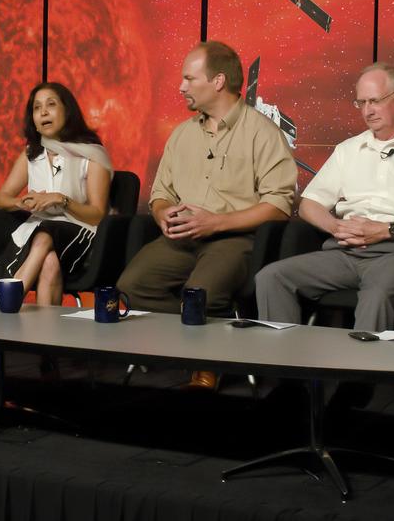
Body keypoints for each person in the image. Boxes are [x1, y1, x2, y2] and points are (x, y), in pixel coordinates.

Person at [117, 41, 296, 389]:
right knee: (130, 289)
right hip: (181, 237)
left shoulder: (263, 133)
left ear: (217, 82)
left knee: (200, 293)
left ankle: (206, 363)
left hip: (234, 239)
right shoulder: (182, 134)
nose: (181, 86)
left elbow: (279, 205)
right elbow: (160, 194)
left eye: (188, 78)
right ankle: (220, 339)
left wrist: (217, 222)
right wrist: (163, 214)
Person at [255, 64, 394, 333]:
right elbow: (309, 204)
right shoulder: (348, 150)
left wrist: (385, 230)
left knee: (376, 297)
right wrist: (336, 227)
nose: (367, 111)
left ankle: (360, 375)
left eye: (375, 101)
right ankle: (284, 372)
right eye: (361, 102)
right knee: (271, 277)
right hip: (344, 251)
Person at [0, 82, 113, 307]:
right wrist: (21, 203)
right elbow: (1, 198)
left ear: (67, 111)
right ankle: (45, 337)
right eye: (37, 108)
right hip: (39, 234)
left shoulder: (92, 154)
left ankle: (8, 302)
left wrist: (60, 200)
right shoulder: (31, 154)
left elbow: (97, 215)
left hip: (82, 235)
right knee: (49, 261)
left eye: (51, 105)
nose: (43, 112)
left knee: (45, 236)